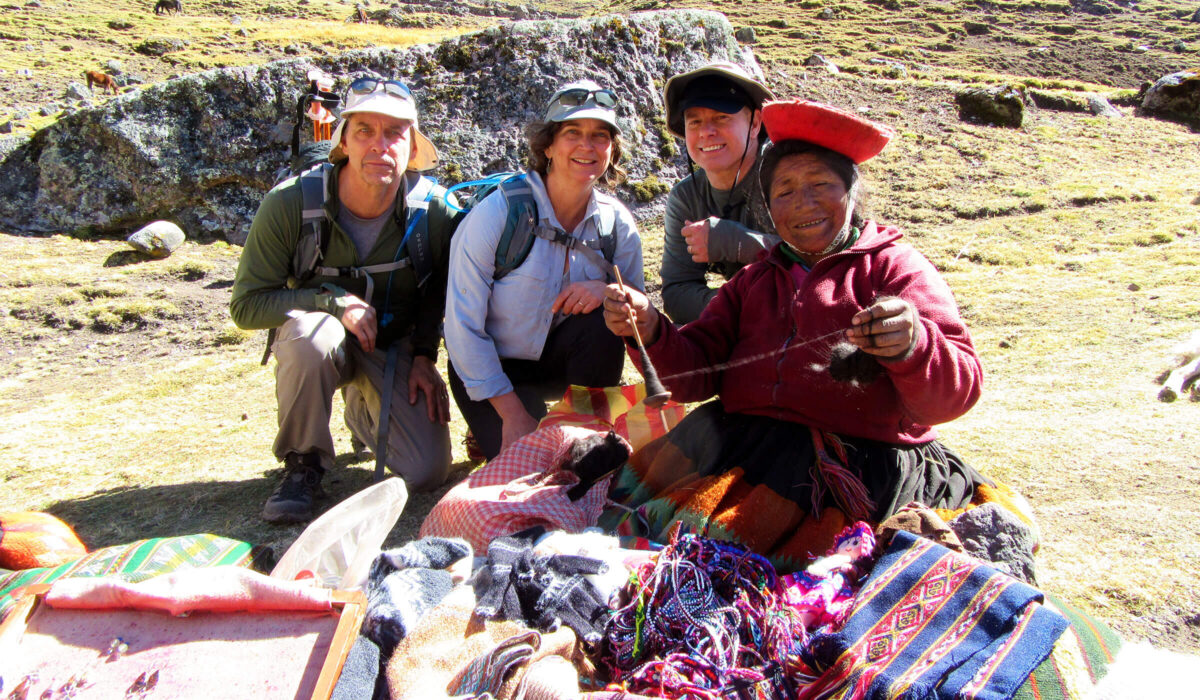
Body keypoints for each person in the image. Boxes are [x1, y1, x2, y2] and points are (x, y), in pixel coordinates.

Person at [601, 99, 989, 570]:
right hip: (734, 451)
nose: (803, 202)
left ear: (852, 192)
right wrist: (651, 328)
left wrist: (913, 344)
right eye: (784, 191)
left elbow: (954, 395)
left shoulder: (894, 267)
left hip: (850, 472)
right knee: (638, 545)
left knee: (754, 571)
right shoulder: (756, 279)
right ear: (769, 209)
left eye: (821, 184)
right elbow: (694, 375)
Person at [231, 77, 457, 523]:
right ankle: (303, 463)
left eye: (394, 132)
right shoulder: (290, 204)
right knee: (313, 335)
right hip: (318, 342)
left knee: (428, 471)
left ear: (412, 146)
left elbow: (440, 292)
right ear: (344, 142)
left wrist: (424, 356)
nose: (380, 145)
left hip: (390, 349)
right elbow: (247, 306)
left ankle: (361, 410)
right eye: (365, 131)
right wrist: (331, 304)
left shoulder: (435, 210)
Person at [445, 79, 644, 462]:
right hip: (495, 368)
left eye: (600, 136)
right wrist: (513, 415)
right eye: (573, 133)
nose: (587, 146)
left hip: (561, 360)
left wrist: (606, 292)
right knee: (535, 461)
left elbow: (638, 310)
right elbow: (461, 328)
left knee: (582, 463)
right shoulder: (499, 213)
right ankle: (492, 421)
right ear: (548, 146)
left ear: (612, 150)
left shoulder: (616, 223)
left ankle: (588, 427)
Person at [660, 62, 780, 325]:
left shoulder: (786, 177)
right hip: (748, 321)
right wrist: (736, 306)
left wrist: (737, 243)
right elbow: (676, 293)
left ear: (755, 123)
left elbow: (824, 263)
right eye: (695, 121)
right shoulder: (686, 197)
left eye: (721, 117)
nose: (706, 131)